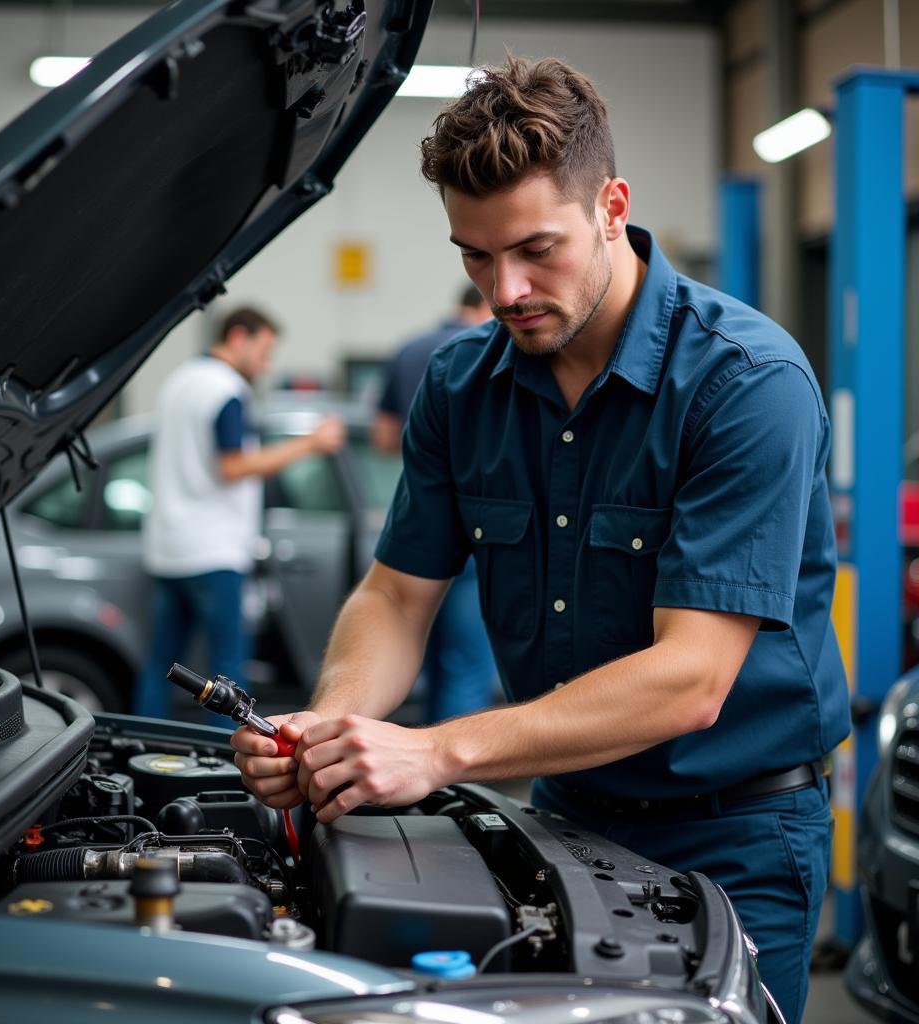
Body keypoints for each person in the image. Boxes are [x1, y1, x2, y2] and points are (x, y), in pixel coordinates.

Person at [232, 58, 850, 1024]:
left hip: (738, 832)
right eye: (474, 257)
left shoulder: (745, 383)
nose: (505, 290)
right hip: (566, 818)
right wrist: (337, 728)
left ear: (612, 205)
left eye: (534, 249)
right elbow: (397, 595)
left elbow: (691, 679)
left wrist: (436, 751)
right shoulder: (459, 386)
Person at [134, 306, 345, 720]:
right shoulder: (226, 389)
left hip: (166, 547)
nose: (268, 363)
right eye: (264, 350)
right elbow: (233, 466)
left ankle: (140, 748)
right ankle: (226, 766)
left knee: (161, 666)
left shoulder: (178, 382)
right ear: (237, 338)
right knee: (226, 679)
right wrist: (311, 444)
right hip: (214, 551)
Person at [372, 285, 498, 723]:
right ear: (484, 304)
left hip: (419, 514)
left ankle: (424, 758)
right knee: (465, 663)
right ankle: (458, 784)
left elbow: (385, 439)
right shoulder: (491, 351)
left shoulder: (407, 350)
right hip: (477, 520)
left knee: (419, 648)